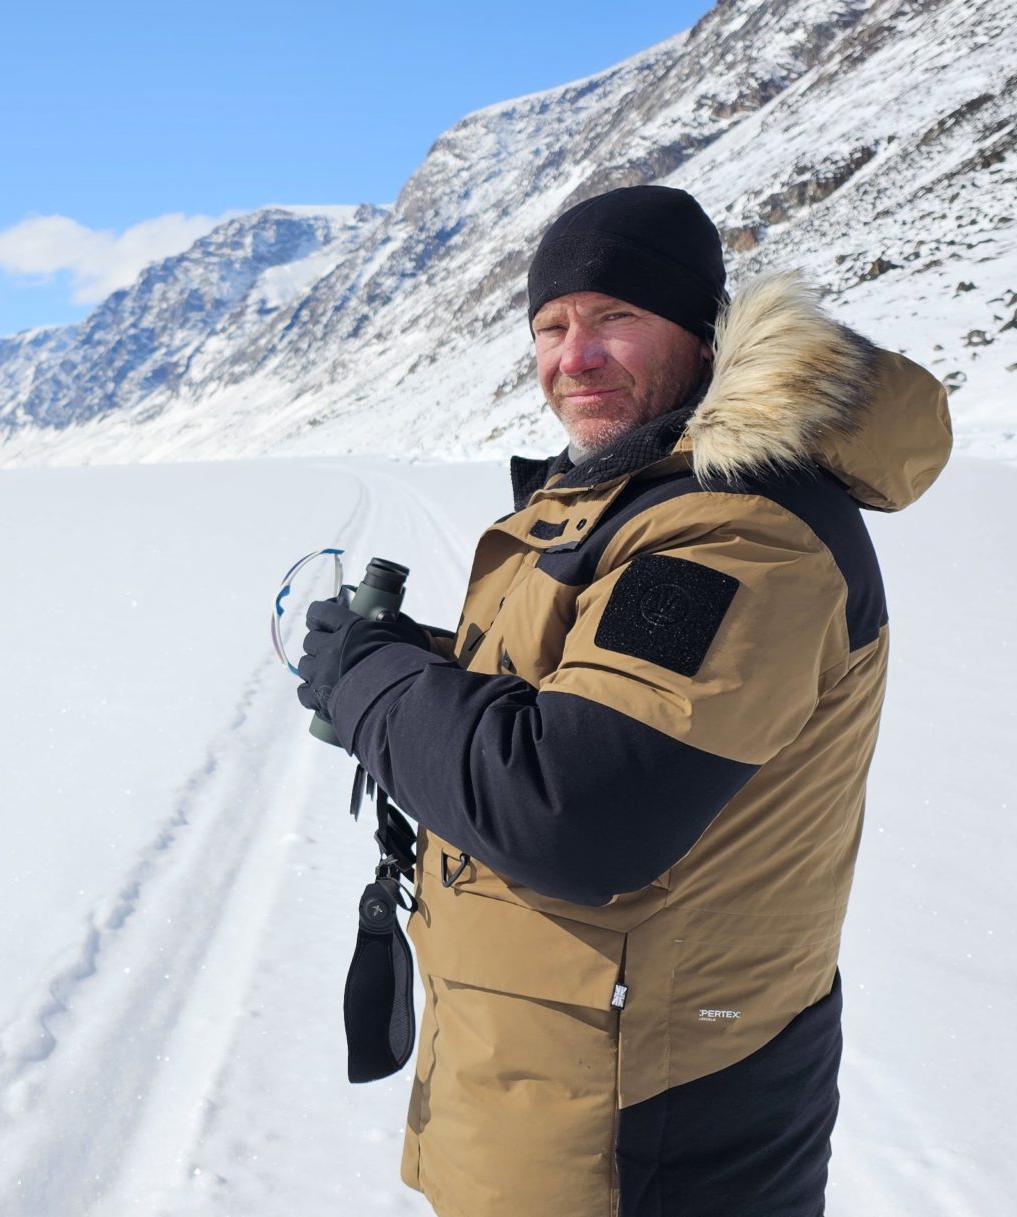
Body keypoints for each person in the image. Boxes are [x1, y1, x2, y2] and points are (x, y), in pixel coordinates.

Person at [296, 184, 951, 1216]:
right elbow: (571, 695)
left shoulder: (734, 530)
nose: (575, 357)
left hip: (644, 1121)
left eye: (614, 316)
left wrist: (371, 683)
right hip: (564, 1076)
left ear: (702, 334)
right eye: (551, 327)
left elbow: (572, 808)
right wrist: (413, 659)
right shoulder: (635, 497)